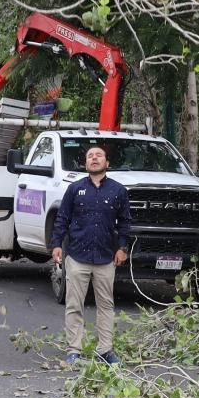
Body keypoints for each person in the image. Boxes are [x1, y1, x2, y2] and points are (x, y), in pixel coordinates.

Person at [50, 145, 132, 364]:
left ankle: (105, 351)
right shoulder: (75, 189)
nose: (94, 158)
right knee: (74, 305)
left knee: (106, 306)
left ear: (107, 163)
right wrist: (56, 244)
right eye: (90, 156)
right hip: (77, 257)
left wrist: (122, 248)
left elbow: (125, 222)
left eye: (99, 156)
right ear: (86, 164)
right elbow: (62, 219)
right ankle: (73, 351)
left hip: (106, 258)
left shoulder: (118, 191)